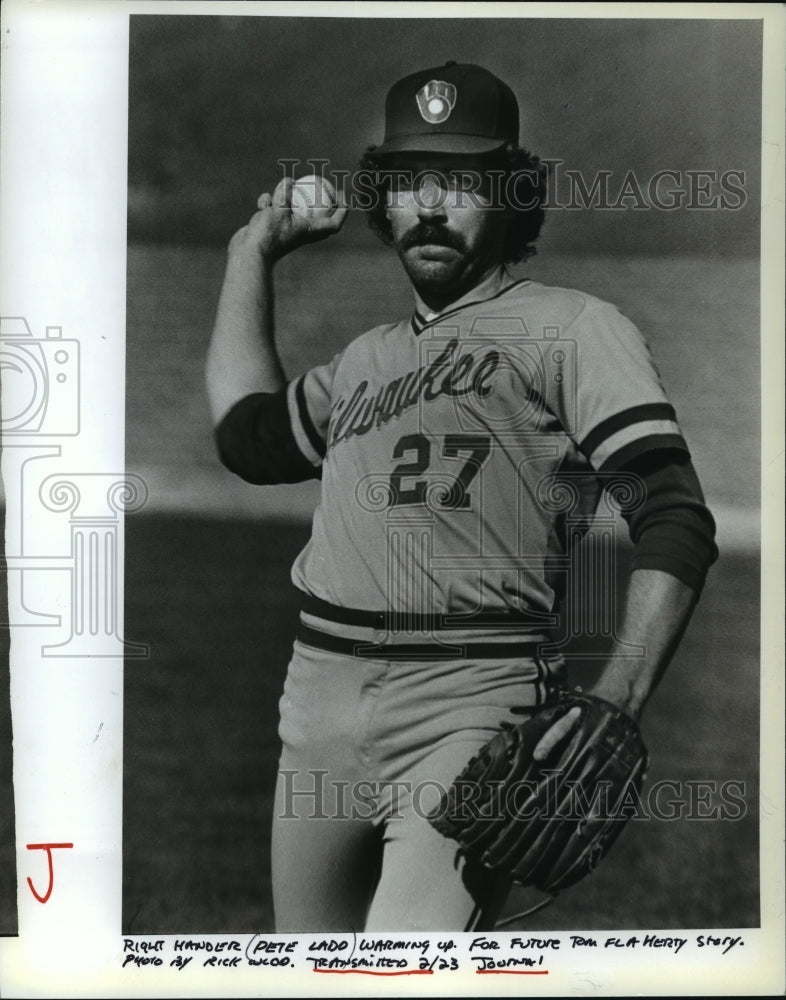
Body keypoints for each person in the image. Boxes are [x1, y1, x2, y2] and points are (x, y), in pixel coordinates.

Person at [206, 62, 717, 932]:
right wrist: (249, 250)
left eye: (463, 183)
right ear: (384, 200)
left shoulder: (574, 327)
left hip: (472, 703)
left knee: (404, 978)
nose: (431, 205)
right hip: (317, 706)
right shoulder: (365, 358)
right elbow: (248, 438)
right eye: (408, 182)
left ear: (513, 198)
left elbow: (673, 513)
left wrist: (618, 694)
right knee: (304, 979)